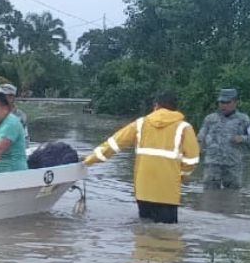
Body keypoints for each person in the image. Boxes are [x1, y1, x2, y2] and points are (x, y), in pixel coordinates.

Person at [84, 92, 200, 224]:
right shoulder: (185, 127)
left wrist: (88, 160)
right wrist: (182, 176)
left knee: (144, 229)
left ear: (156, 106)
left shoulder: (140, 124)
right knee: (168, 234)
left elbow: (113, 145)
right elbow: (192, 159)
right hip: (168, 191)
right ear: (176, 108)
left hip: (143, 189)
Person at [199, 88, 250, 190]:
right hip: (212, 165)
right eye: (221, 102)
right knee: (209, 197)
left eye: (227, 102)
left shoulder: (243, 119)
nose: (223, 105)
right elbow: (200, 137)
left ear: (235, 103)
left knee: (232, 197)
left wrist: (243, 138)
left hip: (233, 166)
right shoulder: (210, 119)